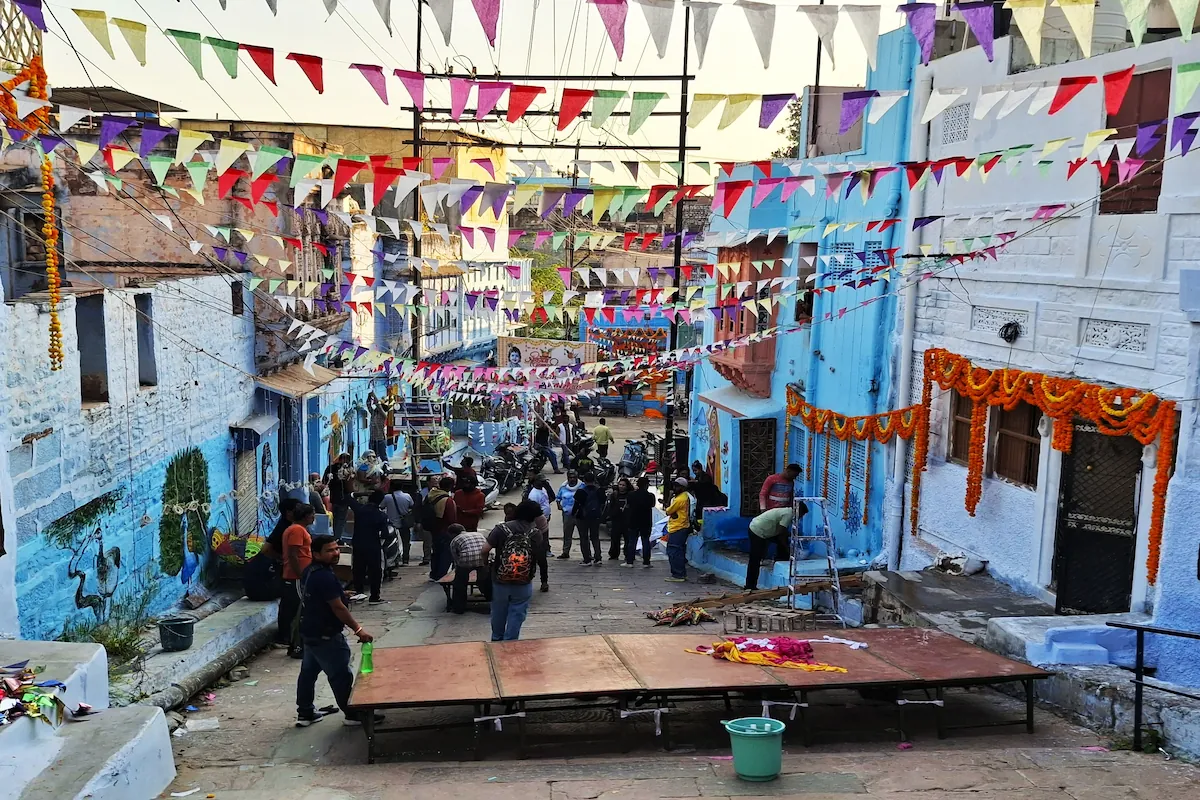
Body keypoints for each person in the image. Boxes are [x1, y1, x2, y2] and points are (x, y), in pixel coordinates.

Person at [294, 535, 380, 728]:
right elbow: (338, 608)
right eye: (329, 550)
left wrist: (341, 594)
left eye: (336, 549)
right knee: (341, 675)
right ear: (316, 553)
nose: (336, 553)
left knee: (308, 673)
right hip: (326, 635)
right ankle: (353, 714)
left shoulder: (311, 571)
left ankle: (305, 712)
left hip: (310, 632)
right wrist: (359, 630)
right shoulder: (324, 576)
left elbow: (323, 597)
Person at [481, 500, 545, 641]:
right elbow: (537, 555)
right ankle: (510, 643)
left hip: (500, 580)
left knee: (498, 611)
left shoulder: (501, 529)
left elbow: (485, 550)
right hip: (523, 580)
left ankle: (497, 640)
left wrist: (486, 564)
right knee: (517, 613)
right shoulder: (536, 534)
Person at [281, 503, 318, 657]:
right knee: (301, 612)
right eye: (312, 515)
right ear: (305, 516)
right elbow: (293, 555)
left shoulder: (298, 529)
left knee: (298, 611)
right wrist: (301, 575)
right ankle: (298, 646)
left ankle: (295, 645)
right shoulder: (296, 530)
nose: (313, 517)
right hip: (296, 577)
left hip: (299, 575)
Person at [744, 505, 805, 591]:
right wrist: (788, 549)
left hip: (763, 528)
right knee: (755, 559)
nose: (801, 518)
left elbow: (782, 532)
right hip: (757, 530)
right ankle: (750, 586)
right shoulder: (789, 514)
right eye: (802, 515)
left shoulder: (788, 511)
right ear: (799, 512)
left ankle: (780, 559)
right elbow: (781, 534)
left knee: (782, 541)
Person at [345, 490, 389, 604]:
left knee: (358, 569)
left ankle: (359, 593)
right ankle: (374, 596)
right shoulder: (381, 515)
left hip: (358, 544)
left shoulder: (359, 509)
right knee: (375, 571)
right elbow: (385, 534)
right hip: (373, 546)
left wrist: (361, 493)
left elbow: (349, 497)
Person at [449, 523, 492, 614]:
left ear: (452, 534)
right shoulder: (478, 534)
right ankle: (492, 600)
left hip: (466, 559)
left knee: (460, 583)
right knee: (485, 580)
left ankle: (459, 608)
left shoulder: (454, 540)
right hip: (484, 557)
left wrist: (459, 569)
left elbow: (456, 558)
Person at [424, 476, 458, 581]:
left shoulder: (430, 495)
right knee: (446, 554)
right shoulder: (447, 500)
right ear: (451, 486)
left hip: (433, 529)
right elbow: (451, 518)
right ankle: (441, 575)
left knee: (436, 552)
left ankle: (434, 574)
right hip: (445, 530)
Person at [663, 478, 694, 582]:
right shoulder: (684, 497)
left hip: (678, 527)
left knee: (673, 551)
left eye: (677, 486)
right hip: (680, 526)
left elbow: (668, 511)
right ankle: (680, 573)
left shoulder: (680, 499)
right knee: (678, 551)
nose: (675, 488)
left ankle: (678, 574)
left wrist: (669, 500)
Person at [573, 472, 606, 566]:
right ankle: (598, 558)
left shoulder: (580, 491)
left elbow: (576, 505)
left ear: (584, 480)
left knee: (584, 538)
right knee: (595, 537)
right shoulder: (599, 491)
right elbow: (603, 502)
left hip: (582, 517)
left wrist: (573, 515)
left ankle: (587, 559)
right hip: (595, 516)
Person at [625, 476, 656, 568]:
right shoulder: (650, 496)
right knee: (646, 541)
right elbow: (653, 505)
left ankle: (629, 561)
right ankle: (646, 562)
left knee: (632, 541)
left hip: (633, 520)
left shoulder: (631, 495)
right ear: (646, 486)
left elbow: (628, 506)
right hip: (646, 521)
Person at [381, 480, 414, 566]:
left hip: (392, 525)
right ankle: (405, 560)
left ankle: (395, 561)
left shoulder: (387, 497)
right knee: (406, 542)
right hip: (405, 524)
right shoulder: (407, 496)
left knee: (392, 544)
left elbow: (381, 506)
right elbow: (411, 506)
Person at [322, 453, 354, 538]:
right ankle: (337, 538)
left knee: (336, 519)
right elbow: (351, 486)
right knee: (340, 519)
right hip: (343, 498)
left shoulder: (330, 468)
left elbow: (324, 481)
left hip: (334, 497)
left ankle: (335, 536)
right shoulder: (348, 469)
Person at [555, 470, 583, 559]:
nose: (572, 479)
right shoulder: (563, 487)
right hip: (567, 514)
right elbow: (558, 497)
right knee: (567, 534)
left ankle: (586, 554)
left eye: (574, 477)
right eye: (570, 477)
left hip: (579, 515)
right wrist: (559, 505)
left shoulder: (582, 486)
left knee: (583, 535)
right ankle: (565, 552)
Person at [606, 478, 632, 561]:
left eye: (623, 485)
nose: (621, 487)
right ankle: (614, 554)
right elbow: (610, 507)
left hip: (627, 520)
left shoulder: (630, 495)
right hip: (616, 520)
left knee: (628, 539)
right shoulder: (614, 495)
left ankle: (628, 554)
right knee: (615, 538)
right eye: (620, 485)